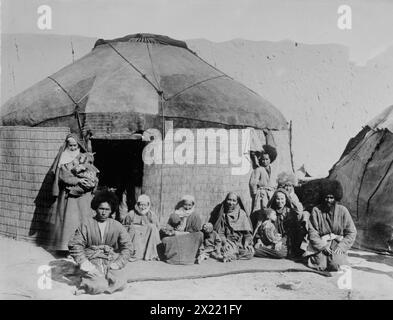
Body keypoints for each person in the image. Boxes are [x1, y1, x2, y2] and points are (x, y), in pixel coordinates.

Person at [68, 190, 132, 295]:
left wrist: (118, 263)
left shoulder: (117, 225)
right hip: (92, 259)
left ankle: (98, 283)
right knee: (99, 285)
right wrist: (84, 262)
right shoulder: (86, 224)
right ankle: (90, 285)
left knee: (121, 282)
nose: (103, 212)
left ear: (111, 211)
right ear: (96, 208)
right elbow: (75, 245)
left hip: (109, 260)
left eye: (107, 209)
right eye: (101, 208)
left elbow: (128, 247)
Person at [48, 133, 97, 255]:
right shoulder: (64, 158)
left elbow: (91, 169)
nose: (73, 148)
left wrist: (90, 178)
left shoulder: (83, 156)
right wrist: (78, 180)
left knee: (84, 219)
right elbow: (64, 176)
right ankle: (68, 249)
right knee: (70, 221)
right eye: (71, 145)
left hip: (83, 196)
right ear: (67, 145)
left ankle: (84, 247)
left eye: (75, 145)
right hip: (69, 196)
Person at [306, 179, 357, 271]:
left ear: (336, 198)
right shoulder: (316, 210)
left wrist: (342, 246)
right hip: (321, 243)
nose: (328, 200)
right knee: (320, 265)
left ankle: (338, 258)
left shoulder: (343, 211)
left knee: (336, 265)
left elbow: (351, 232)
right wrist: (322, 246)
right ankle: (316, 257)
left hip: (337, 243)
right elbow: (312, 232)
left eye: (331, 197)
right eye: (326, 197)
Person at [209, 192, 254, 262]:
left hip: (240, 242)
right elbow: (220, 233)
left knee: (250, 253)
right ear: (226, 200)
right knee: (227, 249)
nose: (231, 203)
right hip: (228, 240)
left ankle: (232, 255)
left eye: (234, 201)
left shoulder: (242, 214)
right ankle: (228, 254)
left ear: (237, 202)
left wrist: (247, 242)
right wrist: (225, 242)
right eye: (229, 200)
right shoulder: (223, 215)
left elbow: (247, 233)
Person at [160, 195, 204, 265]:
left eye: (189, 205)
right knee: (165, 239)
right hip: (177, 235)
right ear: (182, 204)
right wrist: (169, 230)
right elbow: (169, 226)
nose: (187, 207)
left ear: (193, 205)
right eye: (185, 205)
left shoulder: (195, 215)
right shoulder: (176, 213)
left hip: (189, 236)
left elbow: (196, 231)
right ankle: (175, 258)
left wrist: (178, 233)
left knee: (199, 235)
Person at [119, 194, 160, 261]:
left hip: (147, 237)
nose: (143, 207)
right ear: (137, 205)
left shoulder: (151, 214)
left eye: (145, 205)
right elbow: (124, 227)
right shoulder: (131, 213)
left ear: (148, 205)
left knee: (152, 227)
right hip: (135, 236)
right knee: (133, 229)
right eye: (141, 205)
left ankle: (150, 254)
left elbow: (157, 228)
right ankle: (133, 254)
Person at [267, 188, 305, 258]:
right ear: (274, 199)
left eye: (282, 199)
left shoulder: (290, 212)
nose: (280, 201)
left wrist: (281, 241)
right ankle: (270, 249)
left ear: (286, 200)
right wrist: (259, 240)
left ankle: (271, 250)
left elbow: (291, 232)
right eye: (278, 199)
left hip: (286, 242)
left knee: (281, 253)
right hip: (272, 240)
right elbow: (263, 227)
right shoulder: (270, 212)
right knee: (256, 249)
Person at [249, 145, 277, 214]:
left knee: (271, 211)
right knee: (261, 212)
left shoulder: (273, 170)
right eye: (263, 159)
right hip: (262, 194)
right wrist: (255, 194)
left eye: (266, 159)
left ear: (271, 159)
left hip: (271, 193)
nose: (264, 161)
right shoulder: (259, 169)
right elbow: (253, 183)